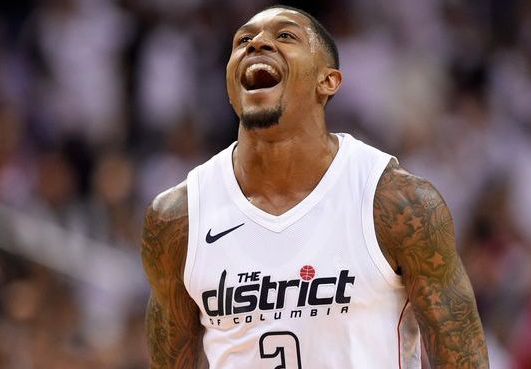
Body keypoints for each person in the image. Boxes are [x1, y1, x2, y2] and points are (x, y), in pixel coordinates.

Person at [140, 5, 489, 369]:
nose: (257, 44)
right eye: (243, 40)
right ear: (231, 86)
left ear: (328, 81)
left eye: (285, 36)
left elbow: (464, 361)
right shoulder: (178, 218)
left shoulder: (396, 203)